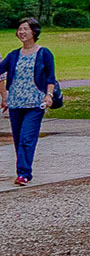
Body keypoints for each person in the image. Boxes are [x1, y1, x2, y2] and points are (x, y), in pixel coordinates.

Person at [5, 18, 57, 185]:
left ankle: (24, 174)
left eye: (25, 29)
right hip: (15, 103)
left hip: (35, 103)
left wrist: (49, 95)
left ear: (34, 32)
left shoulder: (44, 53)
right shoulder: (13, 55)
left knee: (27, 138)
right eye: (20, 29)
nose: (22, 32)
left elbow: (51, 78)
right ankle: (23, 169)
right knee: (18, 139)